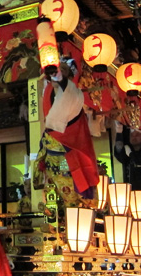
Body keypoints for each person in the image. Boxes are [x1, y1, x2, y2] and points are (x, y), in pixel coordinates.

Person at [40, 57, 99, 200]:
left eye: (63, 71)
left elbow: (67, 90)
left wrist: (61, 79)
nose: (56, 74)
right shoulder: (48, 91)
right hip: (51, 157)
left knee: (73, 200)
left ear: (70, 76)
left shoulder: (75, 94)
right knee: (53, 204)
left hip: (68, 154)